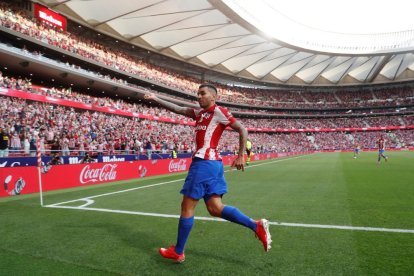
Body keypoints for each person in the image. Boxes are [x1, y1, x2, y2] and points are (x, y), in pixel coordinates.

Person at [144, 84, 272, 263]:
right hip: (213, 165)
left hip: (204, 163)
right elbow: (179, 109)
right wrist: (156, 99)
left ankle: (178, 251)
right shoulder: (199, 113)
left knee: (187, 206)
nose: (199, 96)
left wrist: (241, 155)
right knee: (215, 208)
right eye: (198, 93)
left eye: (202, 93)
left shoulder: (219, 111)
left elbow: (242, 129)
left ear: (213, 97)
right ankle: (255, 225)